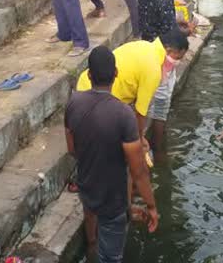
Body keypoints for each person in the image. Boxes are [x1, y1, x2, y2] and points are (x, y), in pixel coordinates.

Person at [65, 46, 158, 263]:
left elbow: (72, 149)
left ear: (89, 75)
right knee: (111, 257)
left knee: (91, 214)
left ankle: (91, 246)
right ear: (116, 74)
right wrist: (151, 206)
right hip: (113, 198)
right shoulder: (123, 114)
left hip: (87, 185)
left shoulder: (73, 104)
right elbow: (138, 171)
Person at [76, 28, 190, 147]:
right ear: (169, 50)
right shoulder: (154, 69)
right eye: (177, 58)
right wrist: (140, 139)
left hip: (84, 87)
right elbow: (140, 112)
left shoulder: (143, 45)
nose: (177, 62)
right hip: (99, 101)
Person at [136, 0, 195, 160]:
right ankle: (159, 152)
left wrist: (175, 23)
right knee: (160, 108)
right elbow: (171, 35)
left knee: (149, 102)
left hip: (147, 48)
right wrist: (186, 30)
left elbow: (154, 20)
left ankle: (151, 146)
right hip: (162, 56)